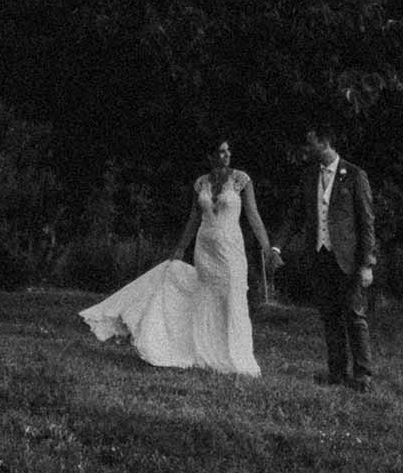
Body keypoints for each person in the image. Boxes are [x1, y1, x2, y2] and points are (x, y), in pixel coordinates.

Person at [78, 139, 278, 376]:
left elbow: (253, 215)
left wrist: (267, 247)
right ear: (210, 156)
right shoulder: (200, 183)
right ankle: (205, 350)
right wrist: (180, 248)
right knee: (206, 297)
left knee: (232, 296)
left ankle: (236, 355)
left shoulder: (241, 180)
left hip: (230, 249)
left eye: (228, 151)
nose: (226, 155)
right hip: (205, 249)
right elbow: (194, 218)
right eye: (221, 152)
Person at [282, 124, 377, 390]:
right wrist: (278, 247)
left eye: (311, 143)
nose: (307, 148)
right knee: (330, 316)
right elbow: (296, 215)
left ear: (325, 143)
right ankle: (336, 373)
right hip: (320, 256)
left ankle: (363, 375)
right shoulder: (309, 176)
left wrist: (368, 263)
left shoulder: (355, 175)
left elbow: (367, 222)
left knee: (355, 315)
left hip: (347, 259)